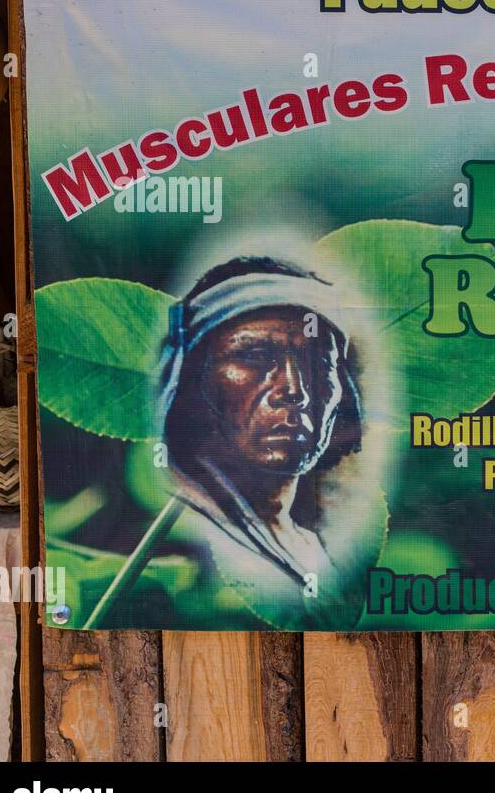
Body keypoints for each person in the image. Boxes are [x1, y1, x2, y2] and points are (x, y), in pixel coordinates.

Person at [157, 256, 372, 628]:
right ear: (193, 377)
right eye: (255, 356)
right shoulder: (177, 542)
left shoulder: (311, 548)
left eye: (318, 363)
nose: (294, 389)